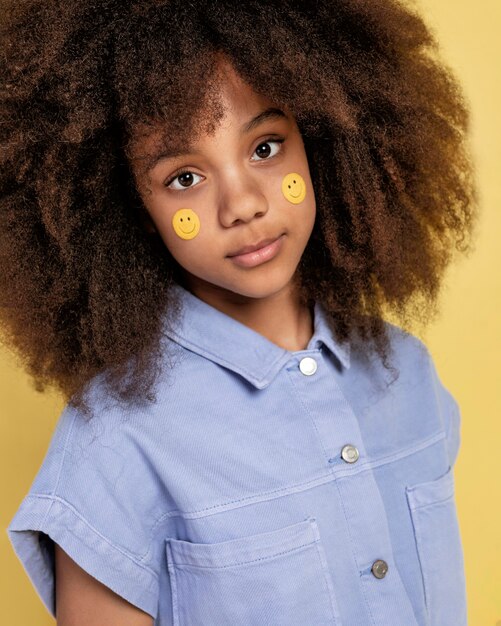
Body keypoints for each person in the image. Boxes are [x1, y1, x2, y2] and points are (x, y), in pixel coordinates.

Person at [1, 1, 478, 625]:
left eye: (266, 146)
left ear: (326, 139)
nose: (243, 204)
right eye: (184, 177)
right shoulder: (116, 443)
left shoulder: (406, 377)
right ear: (129, 209)